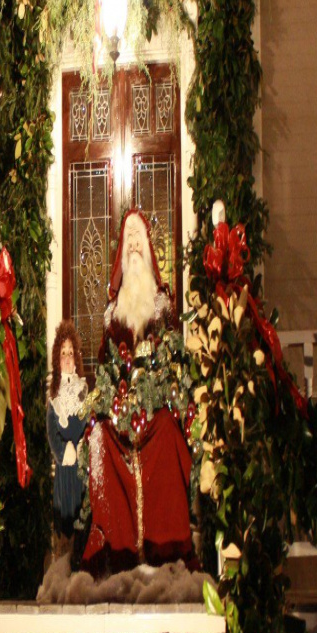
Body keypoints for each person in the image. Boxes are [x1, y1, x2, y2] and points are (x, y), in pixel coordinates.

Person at [81, 209, 194, 573]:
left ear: (147, 249)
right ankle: (117, 549)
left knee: (166, 431)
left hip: (155, 407)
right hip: (120, 409)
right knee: (99, 436)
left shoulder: (162, 305)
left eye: (137, 241)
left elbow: (174, 360)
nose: (132, 246)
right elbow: (105, 372)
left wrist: (158, 388)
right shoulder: (113, 315)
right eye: (127, 241)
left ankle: (165, 546)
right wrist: (110, 402)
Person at [47, 320, 86, 539]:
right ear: (57, 358)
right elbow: (52, 433)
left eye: (71, 352)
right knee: (65, 528)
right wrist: (64, 452)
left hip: (81, 469)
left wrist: (82, 446)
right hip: (64, 472)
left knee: (83, 523)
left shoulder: (83, 390)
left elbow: (89, 423)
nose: (68, 357)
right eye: (63, 353)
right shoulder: (54, 396)